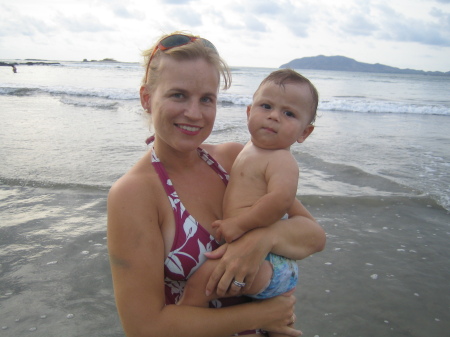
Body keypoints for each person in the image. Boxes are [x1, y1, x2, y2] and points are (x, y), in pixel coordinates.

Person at [107, 32, 326, 337]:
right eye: (178, 95)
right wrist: (262, 315)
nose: (194, 113)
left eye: (206, 99)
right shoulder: (134, 193)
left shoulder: (234, 160)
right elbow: (144, 329)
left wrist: (261, 239)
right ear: (147, 99)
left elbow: (313, 236)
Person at [177, 69, 317, 337]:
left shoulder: (281, 160)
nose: (274, 115)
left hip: (271, 261)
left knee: (202, 281)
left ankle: (186, 316)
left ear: (304, 132)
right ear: (249, 111)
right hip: (264, 260)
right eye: (266, 106)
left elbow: (280, 201)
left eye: (289, 114)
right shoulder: (248, 151)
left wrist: (241, 223)